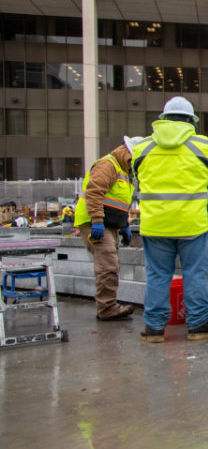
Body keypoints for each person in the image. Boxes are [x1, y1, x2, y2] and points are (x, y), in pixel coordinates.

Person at [132, 97, 208, 343]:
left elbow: (136, 173)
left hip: (154, 225)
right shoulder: (202, 145)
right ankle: (198, 324)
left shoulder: (142, 147)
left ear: (163, 118)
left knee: (157, 275)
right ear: (191, 121)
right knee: (195, 274)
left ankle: (153, 329)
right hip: (193, 224)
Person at [74, 136, 142, 321]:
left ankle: (108, 306)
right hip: (95, 224)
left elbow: (119, 202)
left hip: (108, 225)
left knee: (111, 265)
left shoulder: (125, 172)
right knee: (107, 266)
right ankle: (107, 309)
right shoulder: (108, 165)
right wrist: (96, 220)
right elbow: (94, 193)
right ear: (128, 152)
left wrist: (124, 225)